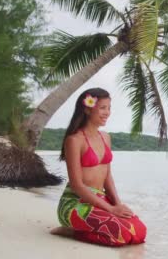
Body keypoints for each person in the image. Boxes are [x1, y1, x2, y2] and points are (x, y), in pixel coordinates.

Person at [50, 88, 146, 246]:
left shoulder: (106, 137)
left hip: (100, 199)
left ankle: (85, 227)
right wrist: (111, 209)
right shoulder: (74, 140)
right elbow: (77, 185)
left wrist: (117, 204)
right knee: (120, 235)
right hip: (76, 202)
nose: (107, 112)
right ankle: (71, 231)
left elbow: (107, 176)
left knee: (139, 232)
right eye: (102, 108)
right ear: (87, 109)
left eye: (109, 108)